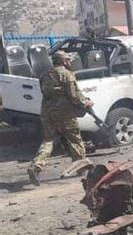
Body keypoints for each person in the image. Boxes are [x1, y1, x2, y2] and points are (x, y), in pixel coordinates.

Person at [27, 50, 93, 186]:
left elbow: (44, 92)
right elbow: (74, 96)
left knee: (49, 140)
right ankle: (81, 168)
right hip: (65, 113)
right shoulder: (67, 75)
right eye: (68, 60)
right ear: (63, 61)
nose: (70, 62)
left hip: (47, 112)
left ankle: (36, 165)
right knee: (74, 139)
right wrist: (86, 102)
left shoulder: (44, 75)